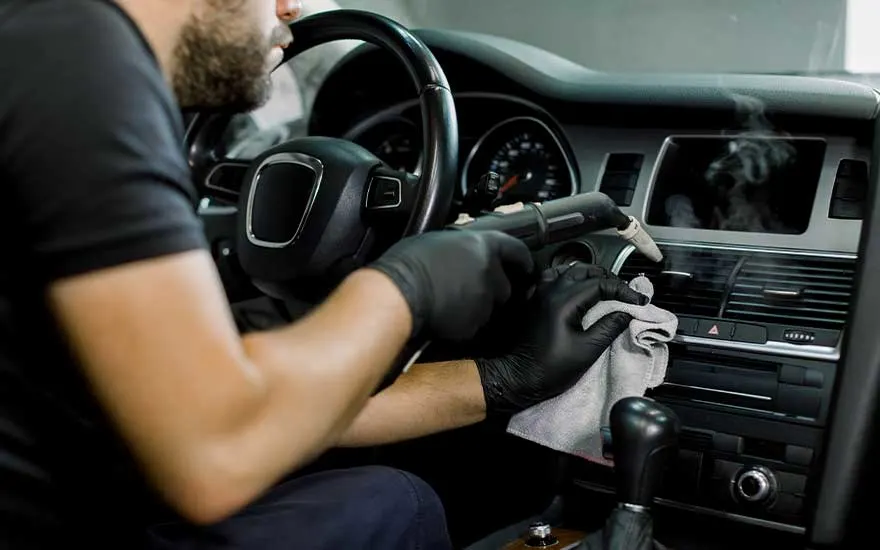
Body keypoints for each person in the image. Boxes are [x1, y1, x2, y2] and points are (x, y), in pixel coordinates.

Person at [0, 1, 642, 549]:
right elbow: (217, 451)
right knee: (395, 504)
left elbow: (232, 401)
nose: (292, 6)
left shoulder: (36, 42)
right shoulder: (81, 60)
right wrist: (407, 286)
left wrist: (501, 379)